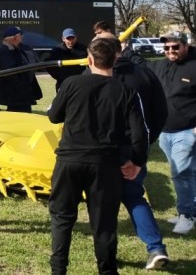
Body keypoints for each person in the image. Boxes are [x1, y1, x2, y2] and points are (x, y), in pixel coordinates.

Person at [47, 37, 148, 275]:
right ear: (115, 58)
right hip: (105, 165)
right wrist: (137, 162)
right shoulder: (126, 91)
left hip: (70, 160)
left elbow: (53, 116)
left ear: (89, 60)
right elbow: (139, 133)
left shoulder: (71, 83)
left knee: (62, 218)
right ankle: (107, 271)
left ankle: (58, 270)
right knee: (104, 224)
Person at [95, 33, 170, 269]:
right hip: (136, 145)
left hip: (104, 149)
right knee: (134, 196)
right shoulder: (144, 73)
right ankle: (155, 247)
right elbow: (160, 111)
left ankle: (108, 256)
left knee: (104, 203)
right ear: (122, 49)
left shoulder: (94, 76)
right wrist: (146, 143)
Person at [145, 31, 196, 235]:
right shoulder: (161, 64)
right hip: (165, 131)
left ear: (186, 46)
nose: (170, 51)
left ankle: (187, 215)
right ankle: (189, 209)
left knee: (180, 173)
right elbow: (140, 63)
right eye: (166, 48)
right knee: (188, 172)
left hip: (187, 131)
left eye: (175, 47)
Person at [0, 26, 42, 113]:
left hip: (21, 94)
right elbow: (10, 74)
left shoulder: (16, 49)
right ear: (15, 37)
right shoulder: (5, 51)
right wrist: (22, 87)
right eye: (21, 35)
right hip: (15, 95)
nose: (22, 37)